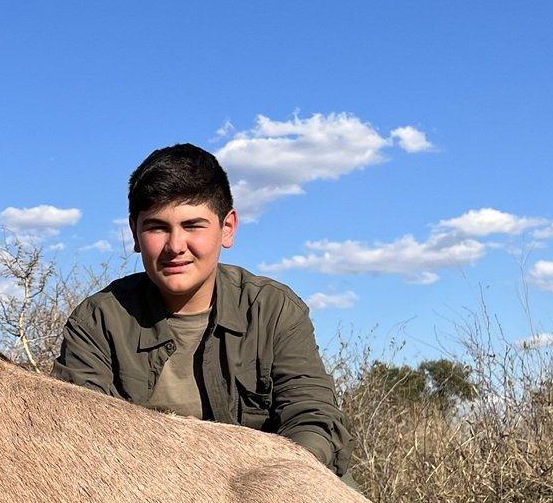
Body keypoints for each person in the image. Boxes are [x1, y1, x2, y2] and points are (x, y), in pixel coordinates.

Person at [53, 143, 351, 477]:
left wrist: (254, 472)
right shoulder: (97, 321)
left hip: (269, 489)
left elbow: (314, 419)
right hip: (145, 492)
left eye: (193, 225)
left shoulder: (273, 309)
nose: (175, 247)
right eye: (157, 227)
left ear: (228, 228)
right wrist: (170, 445)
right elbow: (77, 435)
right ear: (134, 232)